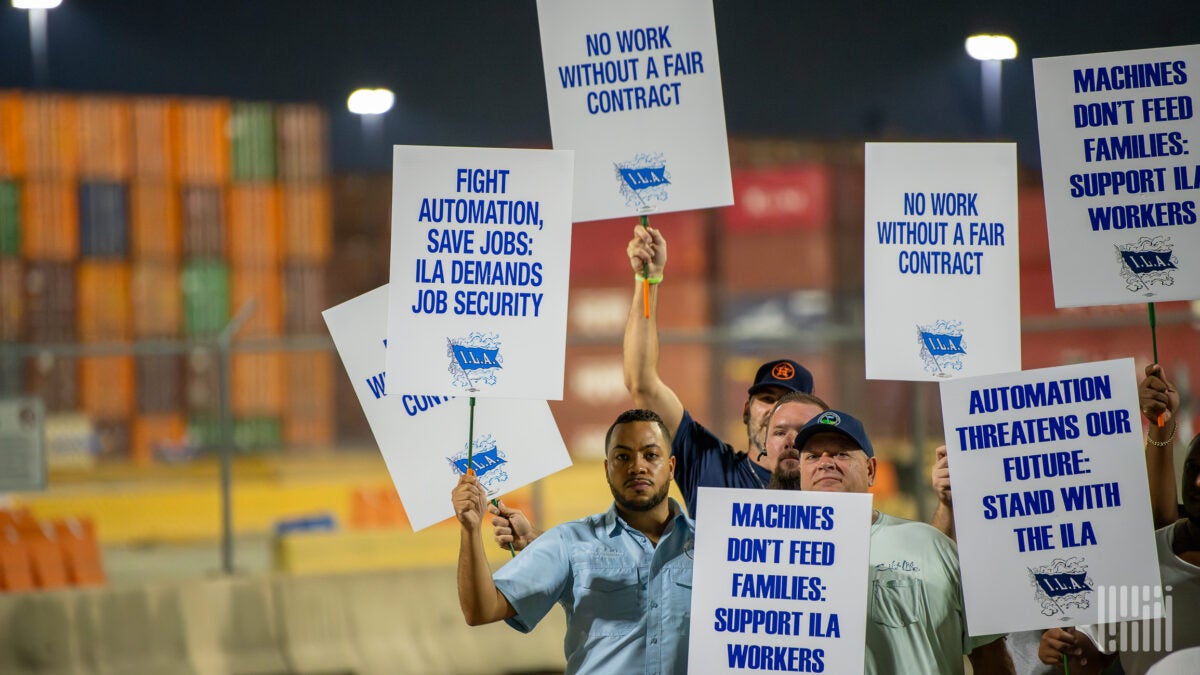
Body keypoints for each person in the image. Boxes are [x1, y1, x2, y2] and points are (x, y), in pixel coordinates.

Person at [487, 225, 824, 549]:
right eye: (767, 399)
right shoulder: (709, 465)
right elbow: (642, 383)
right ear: (747, 410)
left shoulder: (832, 482)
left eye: (788, 403)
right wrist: (648, 281)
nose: (776, 411)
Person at [765, 394, 1014, 674]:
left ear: (871, 470)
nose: (825, 462)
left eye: (841, 453)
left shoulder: (934, 547)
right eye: (812, 456)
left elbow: (989, 656)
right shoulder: (775, 560)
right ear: (800, 473)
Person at [452, 409, 694, 675]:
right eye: (623, 457)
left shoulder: (712, 547)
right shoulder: (568, 541)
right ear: (607, 469)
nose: (637, 467)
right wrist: (470, 528)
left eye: (651, 455)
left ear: (671, 467)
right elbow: (482, 610)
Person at [1038, 365, 1200, 675]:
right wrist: (1066, 648)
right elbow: (1094, 655)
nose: (1197, 483)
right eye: (1192, 469)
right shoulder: (1137, 560)